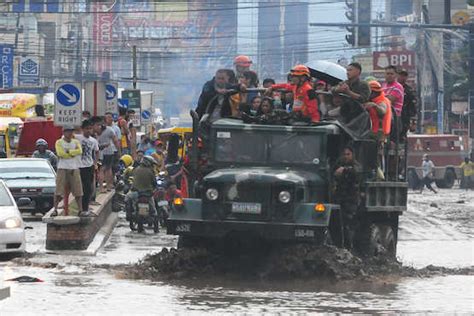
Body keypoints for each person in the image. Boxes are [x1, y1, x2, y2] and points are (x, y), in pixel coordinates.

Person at [333, 146, 361, 250]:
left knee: (348, 224)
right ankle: (340, 247)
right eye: (344, 154)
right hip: (340, 198)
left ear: (352, 155)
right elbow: (333, 171)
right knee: (338, 224)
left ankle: (349, 248)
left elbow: (357, 171)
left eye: (348, 154)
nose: (346, 156)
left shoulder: (355, 165)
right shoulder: (339, 164)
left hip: (351, 200)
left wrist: (344, 170)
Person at [52, 126, 84, 216]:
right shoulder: (59, 142)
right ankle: (55, 209)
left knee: (78, 190)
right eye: (68, 131)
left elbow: (80, 151)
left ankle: (80, 210)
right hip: (62, 168)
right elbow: (60, 154)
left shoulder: (76, 142)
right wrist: (72, 153)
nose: (70, 133)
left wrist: (69, 152)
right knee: (58, 190)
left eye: (71, 131)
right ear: (64, 133)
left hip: (74, 167)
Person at [75, 119, 99, 215]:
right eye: (87, 129)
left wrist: (95, 163)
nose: (89, 131)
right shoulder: (77, 138)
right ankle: (80, 208)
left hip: (89, 166)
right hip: (78, 166)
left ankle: (85, 208)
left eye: (90, 129)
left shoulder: (93, 141)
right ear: (82, 129)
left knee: (88, 188)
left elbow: (97, 152)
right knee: (78, 188)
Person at [92, 116, 120, 193]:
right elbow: (115, 141)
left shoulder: (94, 130)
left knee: (101, 170)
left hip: (99, 153)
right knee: (108, 169)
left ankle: (101, 187)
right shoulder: (109, 130)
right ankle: (108, 185)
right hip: (109, 151)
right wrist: (118, 151)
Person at [126, 155, 158, 220]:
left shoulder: (136, 169)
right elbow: (154, 183)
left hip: (136, 193)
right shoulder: (151, 171)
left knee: (127, 198)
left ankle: (129, 214)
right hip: (147, 194)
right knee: (153, 210)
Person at [398, 69, 417, 141]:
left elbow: (413, 107)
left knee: (401, 137)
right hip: (392, 115)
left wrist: (413, 123)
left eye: (404, 75)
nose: (402, 77)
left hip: (404, 117)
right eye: (400, 75)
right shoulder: (391, 87)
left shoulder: (409, 90)